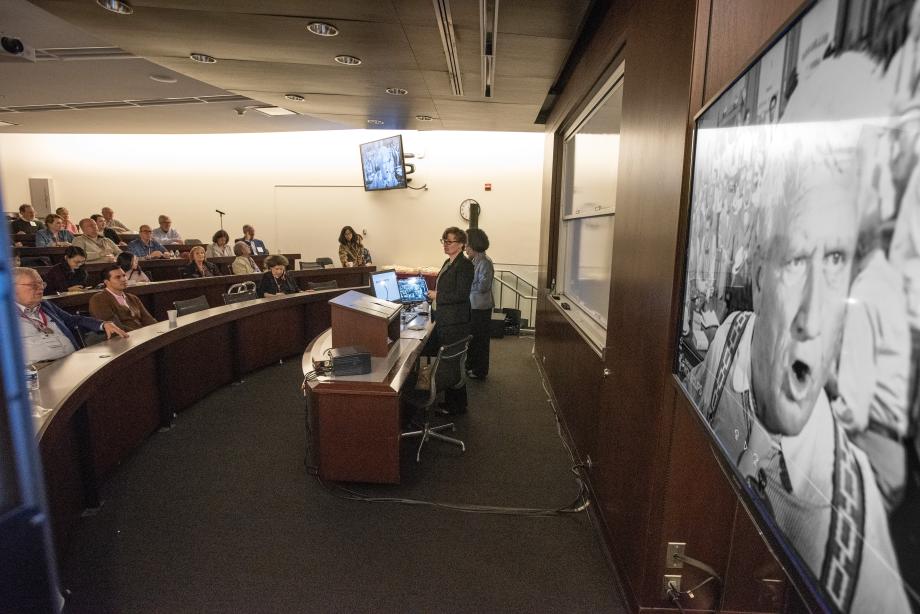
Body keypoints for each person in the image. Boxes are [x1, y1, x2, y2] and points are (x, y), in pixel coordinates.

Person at [686, 130, 911, 612]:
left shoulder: (856, 546)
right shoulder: (731, 336)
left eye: (834, 262)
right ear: (761, 276)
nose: (812, 315)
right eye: (795, 260)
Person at [14, 267, 126, 364]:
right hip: (37, 371)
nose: (41, 288)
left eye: (41, 283)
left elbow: (72, 320)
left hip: (71, 360)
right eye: (33, 285)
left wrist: (103, 324)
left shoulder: (45, 305)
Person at [426, 227, 474, 414]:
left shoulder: (465, 265)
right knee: (449, 362)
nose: (445, 244)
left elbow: (461, 294)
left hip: (455, 322)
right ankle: (452, 402)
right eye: (444, 240)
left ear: (461, 244)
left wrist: (439, 295)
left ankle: (457, 406)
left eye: (450, 241)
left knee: (453, 363)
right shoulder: (449, 262)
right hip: (444, 318)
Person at [88, 264, 156, 332]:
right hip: (123, 338)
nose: (123, 279)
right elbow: (114, 327)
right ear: (107, 282)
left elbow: (148, 319)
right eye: (118, 277)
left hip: (142, 335)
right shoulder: (99, 299)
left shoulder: (133, 297)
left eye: (124, 275)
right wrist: (141, 333)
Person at [465, 228, 494, 379]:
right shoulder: (474, 260)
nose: (465, 248)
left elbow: (484, 286)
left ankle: (480, 370)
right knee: (473, 339)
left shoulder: (485, 262)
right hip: (473, 306)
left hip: (481, 308)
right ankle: (470, 365)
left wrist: (466, 284)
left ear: (475, 244)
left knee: (480, 341)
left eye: (467, 245)